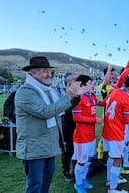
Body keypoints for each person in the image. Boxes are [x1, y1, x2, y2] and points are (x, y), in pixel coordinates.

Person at [15, 56, 86, 193]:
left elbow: (63, 107)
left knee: (46, 183)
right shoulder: (25, 92)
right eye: (44, 71)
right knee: (35, 185)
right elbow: (46, 111)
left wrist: (76, 96)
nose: (49, 74)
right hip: (34, 148)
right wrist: (68, 96)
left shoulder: (49, 89)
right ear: (32, 73)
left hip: (49, 146)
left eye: (49, 71)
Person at [103, 76, 129, 193]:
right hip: (116, 132)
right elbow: (127, 120)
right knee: (118, 158)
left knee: (111, 156)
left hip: (107, 130)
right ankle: (113, 188)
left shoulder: (115, 91)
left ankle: (110, 179)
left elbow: (105, 103)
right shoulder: (127, 99)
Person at [72, 75, 105, 193]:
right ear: (82, 85)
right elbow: (77, 117)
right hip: (82, 137)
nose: (93, 85)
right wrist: (95, 120)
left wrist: (113, 94)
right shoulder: (78, 98)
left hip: (91, 135)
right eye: (90, 83)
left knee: (90, 158)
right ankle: (78, 183)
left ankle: (84, 179)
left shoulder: (91, 96)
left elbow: (102, 103)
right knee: (81, 161)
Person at [59, 72, 78, 183]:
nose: (78, 82)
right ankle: (66, 171)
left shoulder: (79, 92)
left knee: (77, 148)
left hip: (77, 124)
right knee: (68, 149)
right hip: (67, 124)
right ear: (68, 82)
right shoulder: (61, 92)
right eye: (75, 79)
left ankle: (76, 171)